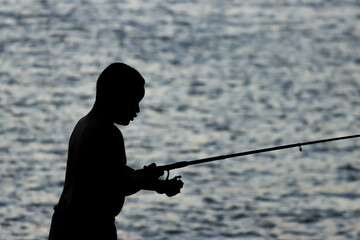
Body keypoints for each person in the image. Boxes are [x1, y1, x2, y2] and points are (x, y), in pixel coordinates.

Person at [49, 63, 184, 240]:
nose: (137, 110)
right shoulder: (108, 133)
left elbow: (108, 174)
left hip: (64, 223)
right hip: (89, 228)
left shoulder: (84, 124)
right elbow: (119, 184)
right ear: (114, 96)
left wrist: (157, 184)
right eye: (133, 101)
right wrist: (145, 178)